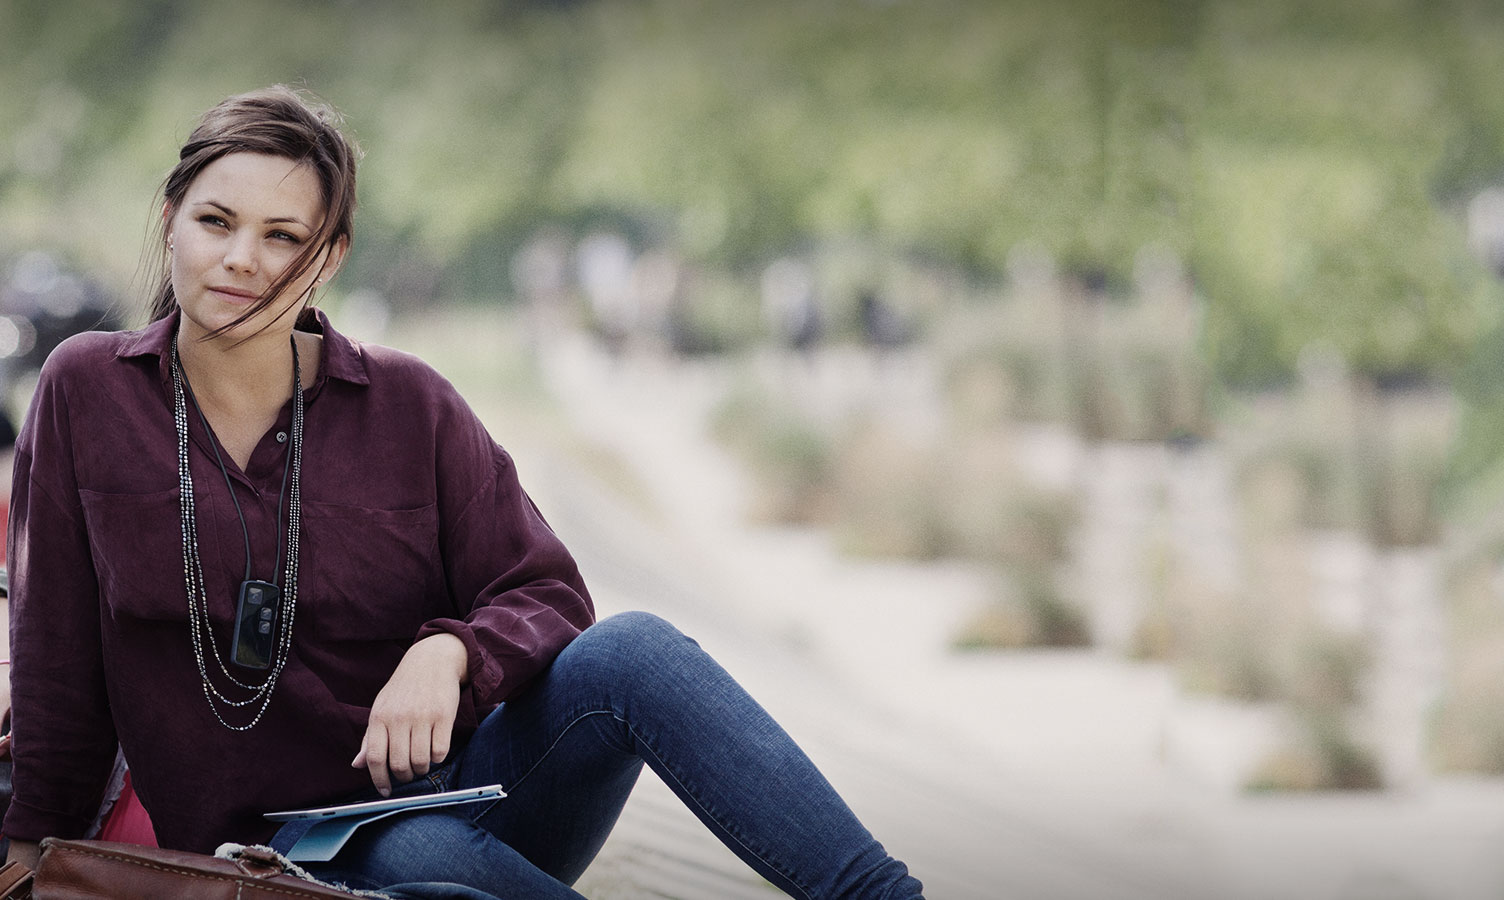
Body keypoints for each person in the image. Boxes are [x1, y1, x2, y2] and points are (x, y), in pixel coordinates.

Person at [0, 86, 924, 900]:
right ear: (171, 218)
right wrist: (29, 849)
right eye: (216, 222)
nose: (242, 258)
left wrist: (450, 654)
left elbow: (548, 591)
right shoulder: (88, 391)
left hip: (471, 787)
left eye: (283, 236)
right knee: (416, 852)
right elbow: (55, 661)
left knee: (634, 651)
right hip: (277, 848)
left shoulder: (409, 404)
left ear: (329, 258)